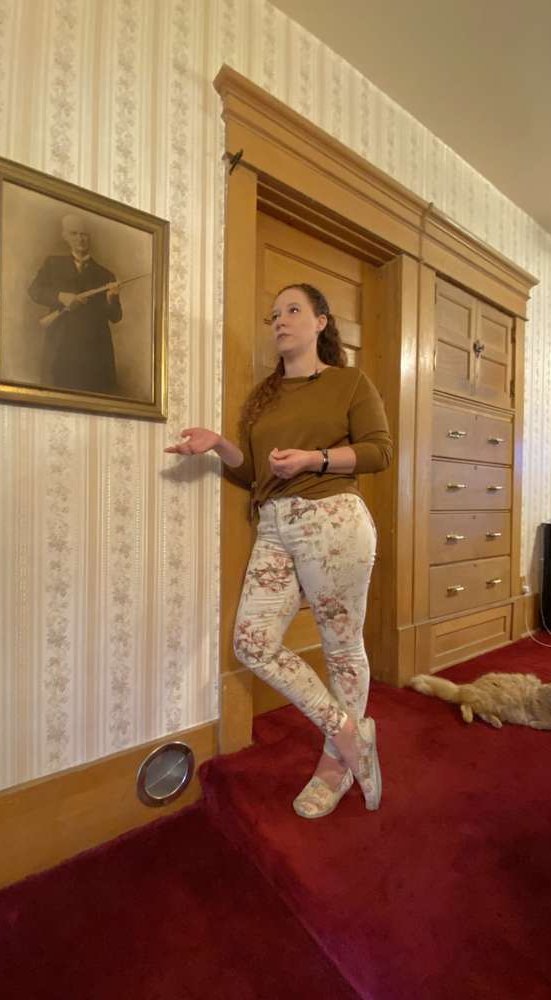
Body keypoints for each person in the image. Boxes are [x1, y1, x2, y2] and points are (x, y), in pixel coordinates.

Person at [165, 283, 393, 819]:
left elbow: (379, 451)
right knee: (252, 641)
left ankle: (335, 766)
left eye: (293, 311)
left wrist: (313, 458)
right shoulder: (266, 397)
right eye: (274, 315)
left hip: (332, 519)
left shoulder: (348, 383)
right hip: (274, 525)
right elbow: (255, 474)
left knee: (340, 645)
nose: (280, 321)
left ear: (320, 322)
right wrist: (220, 445)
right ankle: (350, 734)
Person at [28, 213, 123, 395]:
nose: (80, 239)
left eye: (84, 234)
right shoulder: (53, 264)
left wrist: (112, 297)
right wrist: (61, 296)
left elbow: (116, 317)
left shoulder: (105, 274)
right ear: (65, 236)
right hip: (61, 349)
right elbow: (34, 291)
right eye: (74, 233)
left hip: (95, 353)